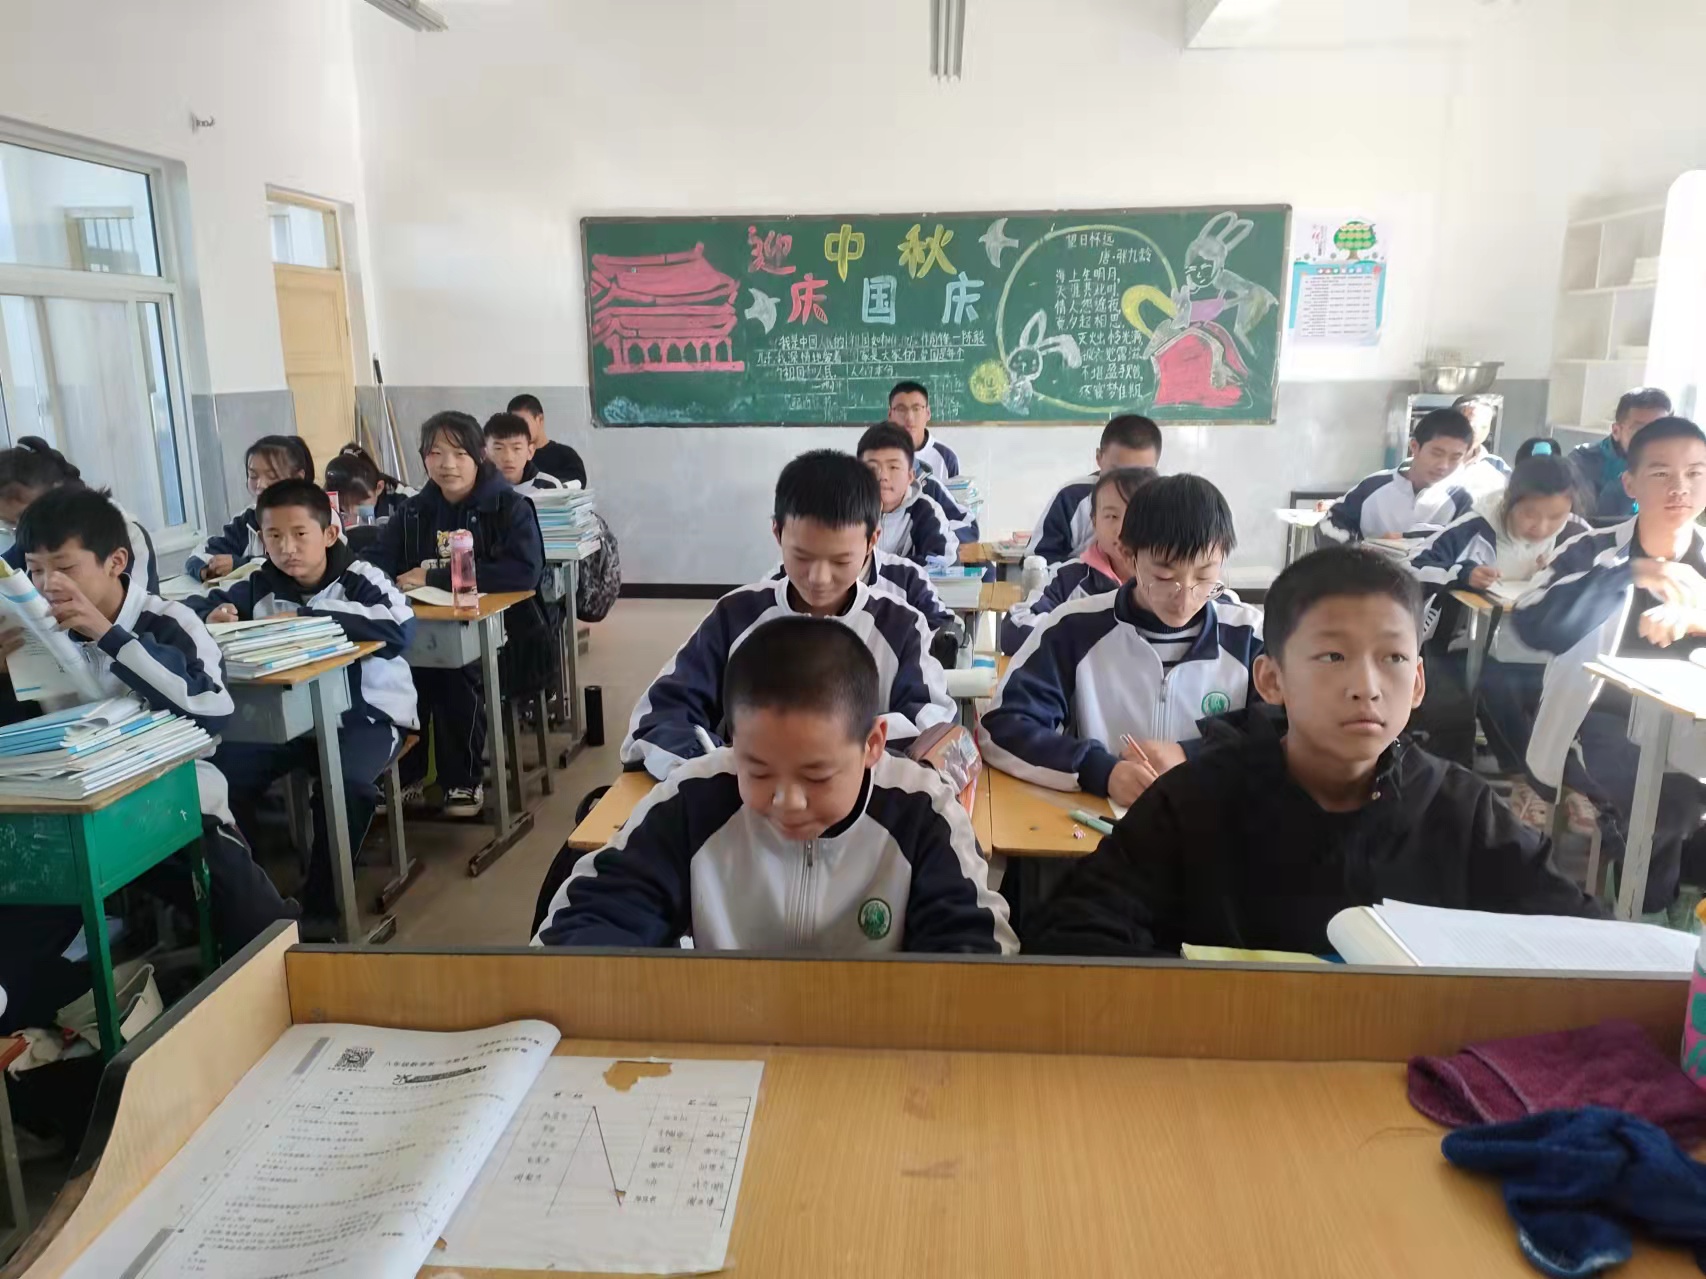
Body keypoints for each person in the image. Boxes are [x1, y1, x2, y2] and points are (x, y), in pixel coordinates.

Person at [1025, 547, 1601, 957]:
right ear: (1271, 680)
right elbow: (1075, 937)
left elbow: (1584, 942)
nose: (1366, 687)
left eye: (1393, 659)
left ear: (1418, 683)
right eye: (1333, 657)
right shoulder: (1194, 803)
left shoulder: (1461, 811)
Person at [538, 617, 1014, 953]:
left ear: (872, 744)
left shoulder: (922, 812)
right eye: (759, 771)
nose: (787, 801)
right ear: (733, 741)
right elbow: (589, 923)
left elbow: (973, 960)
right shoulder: (695, 797)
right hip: (732, 1040)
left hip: (873, 1042)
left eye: (816, 776)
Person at [6, 486, 295, 956]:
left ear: (115, 562)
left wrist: (108, 635)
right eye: (35, 570)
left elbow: (212, 710)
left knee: (253, 919)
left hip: (171, 793)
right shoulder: (32, 632)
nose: (47, 584)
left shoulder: (168, 621)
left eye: (64, 568)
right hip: (71, 807)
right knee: (23, 920)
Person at [621, 450, 955, 780]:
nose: (819, 578)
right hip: (745, 801)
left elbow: (933, 729)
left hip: (861, 804)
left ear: (872, 542)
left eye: (840, 560)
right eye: (802, 557)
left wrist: (836, 754)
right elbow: (658, 719)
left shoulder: (901, 627)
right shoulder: (736, 616)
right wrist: (725, 769)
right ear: (777, 532)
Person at [186, 479, 417, 929]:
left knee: (345, 787)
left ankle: (323, 911)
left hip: (366, 716)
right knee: (220, 777)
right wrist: (211, 615)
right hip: (288, 722)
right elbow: (193, 612)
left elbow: (400, 627)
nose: (287, 548)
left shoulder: (361, 578)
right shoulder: (260, 582)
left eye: (299, 534)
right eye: (274, 536)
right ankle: (253, 907)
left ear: (328, 534)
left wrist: (310, 618)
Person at [1514, 415, 1706, 916]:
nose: (1680, 487)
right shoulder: (1593, 549)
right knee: (1664, 810)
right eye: (1661, 473)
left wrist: (1697, 621)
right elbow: (1532, 621)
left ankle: (1681, 913)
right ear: (1630, 483)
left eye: (1695, 473)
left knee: (1687, 813)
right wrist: (1630, 574)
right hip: (1599, 720)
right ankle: (1646, 922)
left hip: (1693, 726)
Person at [979, 474, 1261, 806]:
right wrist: (1100, 770)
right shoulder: (1074, 628)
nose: (1185, 598)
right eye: (1164, 576)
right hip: (1102, 824)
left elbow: (1288, 729)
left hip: (1217, 827)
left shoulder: (1250, 637)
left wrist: (1192, 754)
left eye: (1205, 575)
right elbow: (1004, 725)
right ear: (1129, 556)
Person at [375, 411, 547, 818]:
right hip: (422, 632)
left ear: (478, 455)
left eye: (458, 453)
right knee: (394, 672)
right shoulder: (413, 512)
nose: (447, 464)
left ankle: (463, 778)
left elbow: (523, 572)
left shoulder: (509, 507)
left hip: (507, 637)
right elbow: (377, 561)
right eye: (435, 453)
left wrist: (434, 575)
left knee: (456, 671)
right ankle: (408, 776)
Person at [1408, 449, 1589, 771]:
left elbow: (1604, 580)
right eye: (1530, 514)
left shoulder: (1578, 535)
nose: (1542, 526)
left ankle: (1552, 779)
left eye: (1556, 517)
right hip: (1462, 644)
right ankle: (1522, 777)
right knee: (1486, 686)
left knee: (1562, 691)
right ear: (1509, 500)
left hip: (1542, 648)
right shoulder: (1476, 526)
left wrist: (1565, 572)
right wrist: (1463, 574)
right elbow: (1413, 566)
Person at [999, 466, 1154, 656]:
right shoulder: (1070, 578)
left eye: (1134, 515)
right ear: (1094, 522)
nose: (1121, 528)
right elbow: (1014, 629)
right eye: (1112, 516)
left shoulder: (1169, 583)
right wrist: (1086, 638)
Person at [0, 436, 158, 592]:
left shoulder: (128, 535)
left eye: (65, 567)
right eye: (10, 524)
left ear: (59, 492)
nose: (22, 529)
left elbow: (136, 605)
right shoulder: (31, 539)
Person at [1318, 409, 1474, 545]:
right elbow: (1329, 525)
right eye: (1437, 453)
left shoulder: (1461, 500)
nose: (1444, 466)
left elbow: (1465, 547)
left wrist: (1406, 539)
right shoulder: (1373, 487)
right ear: (1414, 447)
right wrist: (1358, 550)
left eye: (1455, 457)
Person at [1031, 415, 1162, 564]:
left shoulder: (1164, 502)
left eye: (1140, 474)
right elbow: (1035, 562)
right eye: (1117, 472)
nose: (1126, 484)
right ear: (1099, 458)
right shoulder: (1072, 498)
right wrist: (1085, 570)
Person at [187, 435, 314, 580]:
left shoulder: (317, 517)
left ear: (297, 479)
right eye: (253, 476)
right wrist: (207, 569)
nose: (260, 485)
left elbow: (298, 563)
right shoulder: (248, 520)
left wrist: (241, 566)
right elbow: (200, 553)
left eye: (272, 476)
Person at [1568, 387, 1672, 520]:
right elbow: (1581, 521)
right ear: (1616, 431)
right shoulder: (1582, 461)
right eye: (1640, 430)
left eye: (1660, 430)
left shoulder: (1675, 465)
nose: (1652, 439)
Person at [857, 422, 951, 566]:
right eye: (872, 468)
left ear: (910, 476)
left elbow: (942, 563)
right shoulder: (846, 510)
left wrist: (877, 568)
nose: (883, 476)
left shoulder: (926, 511)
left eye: (893, 467)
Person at [507, 393, 587, 488]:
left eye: (523, 423)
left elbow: (576, 485)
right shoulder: (509, 459)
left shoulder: (566, 456)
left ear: (540, 419)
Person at [324, 444, 412, 522]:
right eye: (344, 504)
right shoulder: (328, 504)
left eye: (359, 504)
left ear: (379, 487)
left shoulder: (407, 501)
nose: (352, 512)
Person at [888, 380, 957, 479]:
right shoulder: (876, 455)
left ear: (928, 413)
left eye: (916, 409)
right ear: (890, 414)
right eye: (901, 409)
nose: (909, 418)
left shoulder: (946, 458)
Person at [483, 411, 564, 495]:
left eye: (517, 448)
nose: (508, 458)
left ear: (530, 451)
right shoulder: (476, 487)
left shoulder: (549, 486)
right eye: (498, 448)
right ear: (484, 453)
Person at [1451, 394, 1512, 501]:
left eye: (1484, 425)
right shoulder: (1434, 459)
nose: (1477, 431)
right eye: (1472, 423)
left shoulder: (1498, 466)